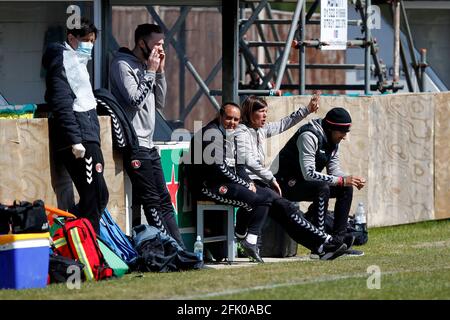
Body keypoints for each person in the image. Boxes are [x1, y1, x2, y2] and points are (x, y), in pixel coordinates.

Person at [187, 102, 348, 263]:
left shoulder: (247, 131)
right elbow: (226, 167)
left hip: (238, 182)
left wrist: (306, 110)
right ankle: (246, 235)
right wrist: (262, 180)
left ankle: (321, 245)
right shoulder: (224, 133)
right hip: (210, 186)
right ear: (221, 116)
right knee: (267, 200)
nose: (233, 122)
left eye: (236, 119)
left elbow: (240, 164)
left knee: (285, 207)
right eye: (229, 118)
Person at [109, 23, 185, 248]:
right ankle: (168, 248)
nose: (161, 49)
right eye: (157, 44)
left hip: (149, 144)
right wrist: (150, 71)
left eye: (163, 44)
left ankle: (179, 248)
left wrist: (159, 71)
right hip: (135, 144)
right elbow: (135, 100)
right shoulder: (122, 65)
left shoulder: (148, 67)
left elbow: (159, 102)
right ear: (142, 43)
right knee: (151, 202)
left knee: (165, 201)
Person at [42, 18, 108, 233]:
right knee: (93, 196)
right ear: (71, 38)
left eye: (93, 41)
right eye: (86, 40)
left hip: (88, 134)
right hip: (79, 138)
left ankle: (73, 232)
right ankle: (89, 250)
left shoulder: (78, 65)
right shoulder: (61, 62)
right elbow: (61, 102)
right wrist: (75, 140)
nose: (90, 45)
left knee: (100, 195)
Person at [274, 107, 366, 257]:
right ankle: (319, 245)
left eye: (346, 132)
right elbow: (309, 173)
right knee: (322, 187)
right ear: (330, 128)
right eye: (342, 132)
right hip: (283, 184)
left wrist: (352, 179)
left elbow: (334, 171)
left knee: (346, 188)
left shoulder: (333, 140)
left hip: (303, 183)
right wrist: (342, 180)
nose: (344, 136)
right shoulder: (309, 135)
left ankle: (337, 242)